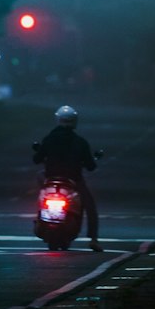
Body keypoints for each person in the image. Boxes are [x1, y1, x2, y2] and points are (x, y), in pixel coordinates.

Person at [33, 105, 102, 251]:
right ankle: (94, 239)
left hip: (51, 178)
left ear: (58, 120)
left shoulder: (49, 138)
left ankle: (40, 213)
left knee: (40, 179)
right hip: (74, 180)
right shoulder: (80, 142)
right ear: (74, 121)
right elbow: (91, 166)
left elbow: (37, 159)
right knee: (90, 206)